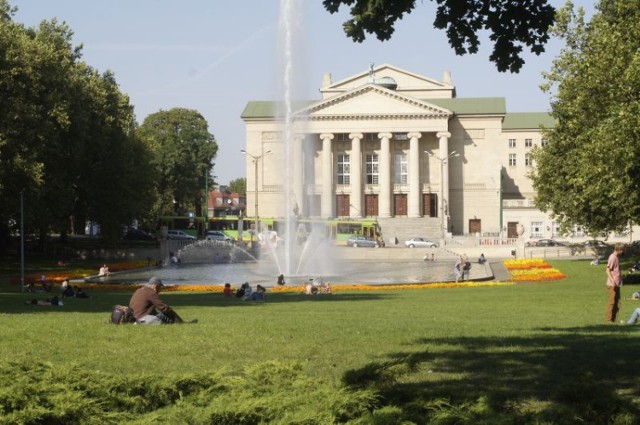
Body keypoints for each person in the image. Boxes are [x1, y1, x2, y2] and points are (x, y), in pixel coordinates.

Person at [128, 277, 193, 325]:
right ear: (155, 286)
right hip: (142, 319)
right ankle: (182, 323)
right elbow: (164, 308)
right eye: (160, 287)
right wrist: (177, 317)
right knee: (163, 319)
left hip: (134, 317)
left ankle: (181, 323)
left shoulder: (139, 290)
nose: (160, 290)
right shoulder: (151, 292)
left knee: (161, 315)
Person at [605, 244, 625, 323]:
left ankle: (613, 320)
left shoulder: (616, 257)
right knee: (612, 302)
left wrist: (620, 280)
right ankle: (608, 320)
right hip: (612, 284)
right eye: (622, 250)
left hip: (617, 284)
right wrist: (612, 280)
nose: (623, 252)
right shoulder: (612, 257)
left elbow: (617, 270)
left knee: (618, 303)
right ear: (619, 250)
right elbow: (607, 270)